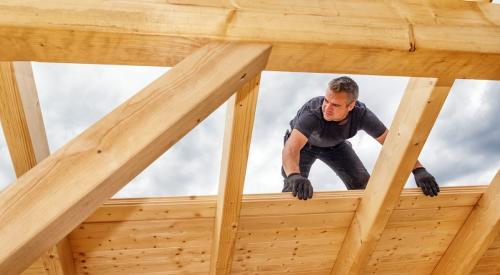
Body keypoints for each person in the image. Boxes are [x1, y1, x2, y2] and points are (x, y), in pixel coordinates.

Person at [281, 76, 439, 200]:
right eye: (326, 101)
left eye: (335, 105)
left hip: (336, 146)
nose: (327, 108)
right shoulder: (313, 112)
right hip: (305, 146)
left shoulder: (362, 115)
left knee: (364, 186)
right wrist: (295, 176)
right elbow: (292, 147)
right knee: (294, 188)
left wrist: (419, 170)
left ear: (351, 106)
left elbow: (392, 144)